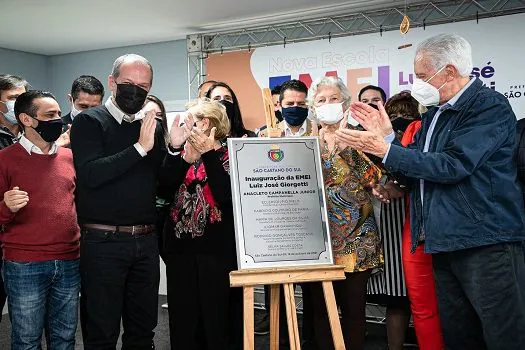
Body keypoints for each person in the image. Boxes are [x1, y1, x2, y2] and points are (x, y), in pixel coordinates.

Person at [336, 33, 525, 349]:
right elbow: (418, 168)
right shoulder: (434, 114)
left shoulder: (487, 106)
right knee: (458, 335)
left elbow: (453, 166)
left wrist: (385, 150)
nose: (416, 83)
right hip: (443, 241)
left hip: (486, 241)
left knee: (503, 334)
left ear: (449, 72)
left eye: (422, 76)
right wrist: (387, 142)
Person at [71, 54, 179, 349]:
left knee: (143, 329)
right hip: (102, 241)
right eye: (128, 83)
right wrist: (139, 149)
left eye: (143, 86)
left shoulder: (151, 126)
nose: (135, 91)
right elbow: (91, 174)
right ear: (112, 82)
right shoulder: (89, 122)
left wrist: (176, 149)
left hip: (145, 242)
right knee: (101, 330)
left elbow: (165, 182)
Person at [159, 98, 242, 349]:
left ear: (204, 124)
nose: (183, 127)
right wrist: (180, 157)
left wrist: (208, 155)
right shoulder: (182, 154)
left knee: (217, 321)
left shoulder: (234, 155)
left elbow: (226, 198)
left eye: (188, 122)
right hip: (180, 253)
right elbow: (163, 191)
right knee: (184, 322)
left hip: (218, 255)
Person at [0, 90, 80, 349]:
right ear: (26, 119)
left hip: (69, 261)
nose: (58, 119)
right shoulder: (5, 159)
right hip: (25, 265)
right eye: (50, 115)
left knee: (65, 339)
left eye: (58, 113)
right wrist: (6, 206)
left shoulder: (69, 157)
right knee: (26, 340)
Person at [308, 76, 383, 350]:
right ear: (313, 107)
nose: (328, 105)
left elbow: (374, 179)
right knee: (320, 312)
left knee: (354, 311)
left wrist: (346, 146)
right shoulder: (306, 142)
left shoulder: (361, 135)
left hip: (357, 238)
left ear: (346, 103)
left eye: (334, 99)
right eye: (321, 100)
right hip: (317, 241)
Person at [366, 90, 420, 350]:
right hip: (388, 226)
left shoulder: (419, 145)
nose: (400, 120)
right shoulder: (375, 147)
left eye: (406, 115)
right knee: (397, 297)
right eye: (395, 114)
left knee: (422, 299)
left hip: (416, 225)